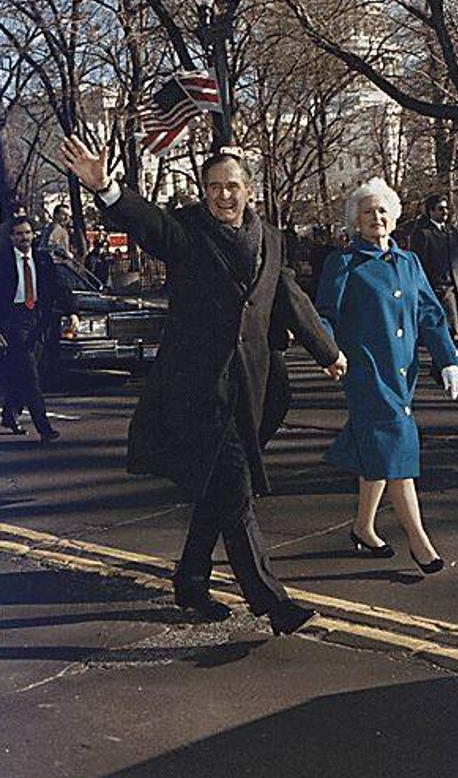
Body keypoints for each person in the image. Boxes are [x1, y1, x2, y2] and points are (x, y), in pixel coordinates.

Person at [60, 133, 347, 636]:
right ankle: (272, 603)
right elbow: (151, 225)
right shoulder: (188, 231)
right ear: (204, 191)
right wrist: (106, 187)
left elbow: (289, 297)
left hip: (252, 389)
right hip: (198, 391)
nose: (223, 195)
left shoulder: (271, 238)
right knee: (235, 490)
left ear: (249, 190)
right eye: (213, 187)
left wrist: (328, 352)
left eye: (231, 186)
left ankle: (191, 580)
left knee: (219, 491)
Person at [315, 178, 458, 573]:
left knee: (380, 448)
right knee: (397, 444)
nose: (376, 217)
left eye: (382, 210)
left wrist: (448, 360)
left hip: (402, 373)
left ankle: (363, 527)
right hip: (366, 372)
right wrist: (328, 352)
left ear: (394, 217)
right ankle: (419, 542)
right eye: (367, 212)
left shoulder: (409, 262)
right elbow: (325, 315)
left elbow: (430, 314)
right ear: (355, 220)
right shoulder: (344, 263)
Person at [0, 216, 78, 442]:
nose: (24, 238)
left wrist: (72, 312)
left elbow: (60, 288)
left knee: (22, 371)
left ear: (33, 235)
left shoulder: (43, 260)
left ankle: (10, 414)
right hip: (14, 321)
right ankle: (44, 428)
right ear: (11, 237)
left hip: (38, 321)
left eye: (27, 233)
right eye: (19, 234)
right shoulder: (3, 262)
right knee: (30, 375)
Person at [408, 194, 458, 337]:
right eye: (440, 209)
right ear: (431, 211)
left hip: (452, 288)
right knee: (439, 331)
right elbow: (417, 263)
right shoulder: (422, 234)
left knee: (450, 330)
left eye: (446, 208)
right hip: (434, 289)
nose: (445, 212)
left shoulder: (451, 232)